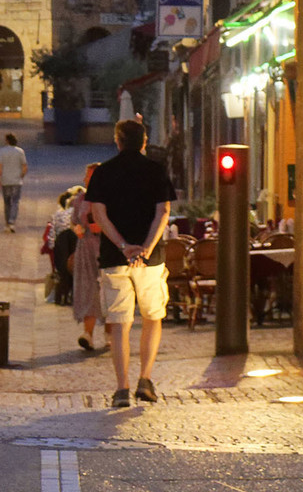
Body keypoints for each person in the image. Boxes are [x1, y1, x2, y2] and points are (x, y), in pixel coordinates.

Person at [85, 116, 173, 409]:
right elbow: (163, 212)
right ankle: (145, 380)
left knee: (119, 323)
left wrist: (123, 246)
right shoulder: (156, 170)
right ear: (145, 142)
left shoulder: (103, 173)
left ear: (117, 141)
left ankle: (121, 387)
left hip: (114, 258)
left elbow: (99, 214)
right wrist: (145, 248)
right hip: (150, 260)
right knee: (152, 317)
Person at [69, 164, 107, 357]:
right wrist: (77, 228)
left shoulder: (109, 198)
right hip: (85, 249)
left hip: (105, 249)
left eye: (90, 177)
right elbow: (74, 220)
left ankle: (110, 333)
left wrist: (100, 228)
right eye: (86, 176)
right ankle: (88, 333)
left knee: (107, 291)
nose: (86, 180)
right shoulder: (81, 199)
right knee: (87, 289)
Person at [0, 131, 28, 231]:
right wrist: (21, 175)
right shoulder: (20, 151)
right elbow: (24, 166)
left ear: (7, 141)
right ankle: (12, 221)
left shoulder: (2, 151)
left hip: (5, 180)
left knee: (7, 202)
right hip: (16, 180)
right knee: (15, 201)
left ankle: (7, 222)